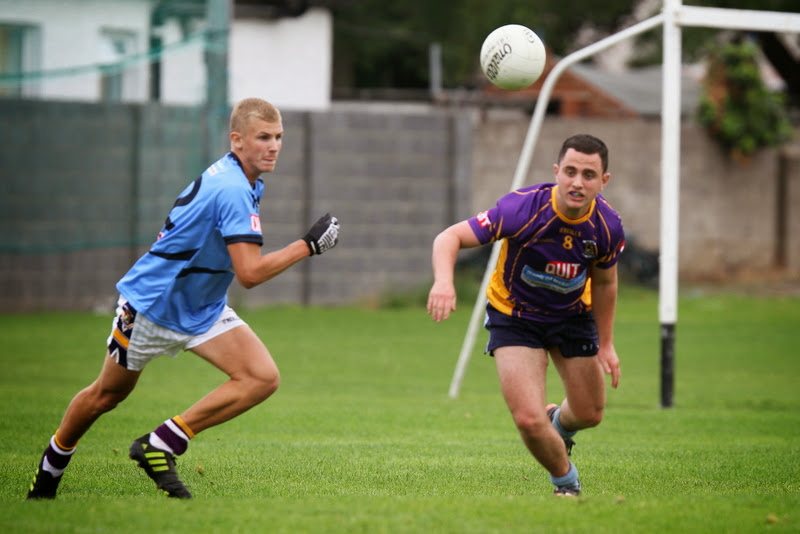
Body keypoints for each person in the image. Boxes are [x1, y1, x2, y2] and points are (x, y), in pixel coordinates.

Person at [26, 97, 340, 500]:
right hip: (154, 307)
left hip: (202, 306)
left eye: (278, 137)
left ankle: (161, 444)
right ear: (237, 140)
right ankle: (50, 470)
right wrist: (308, 246)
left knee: (261, 377)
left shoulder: (240, 178)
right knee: (106, 395)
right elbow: (249, 274)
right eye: (263, 137)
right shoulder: (232, 190)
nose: (274, 145)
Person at [427, 134, 623, 497]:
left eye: (588, 175)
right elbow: (448, 237)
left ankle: (558, 425)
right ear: (556, 171)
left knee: (589, 413)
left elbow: (607, 282)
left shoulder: (607, 226)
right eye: (570, 171)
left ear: (603, 181)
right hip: (515, 316)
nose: (577, 182)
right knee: (528, 420)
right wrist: (443, 282)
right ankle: (566, 483)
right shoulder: (523, 208)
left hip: (573, 317)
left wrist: (606, 344)